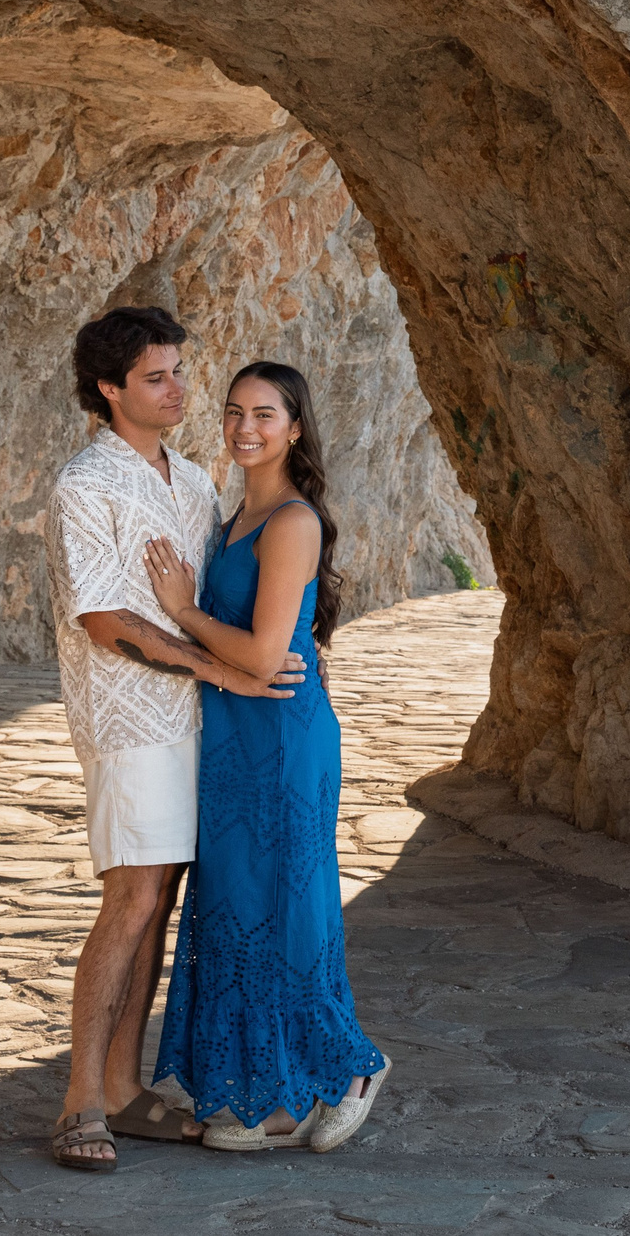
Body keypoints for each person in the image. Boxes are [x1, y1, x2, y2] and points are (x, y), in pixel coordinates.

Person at [41, 308, 305, 1173]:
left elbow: (236, 592)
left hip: (197, 728)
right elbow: (104, 618)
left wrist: (276, 658)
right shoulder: (85, 485)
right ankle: (82, 1101)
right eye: (156, 377)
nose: (179, 388)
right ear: (110, 390)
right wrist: (218, 669)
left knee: (162, 902)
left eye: (180, 371)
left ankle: (124, 1088)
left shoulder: (193, 482)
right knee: (131, 901)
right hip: (129, 728)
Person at [141, 360, 390, 1153]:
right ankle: (266, 1086)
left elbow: (260, 657)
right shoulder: (230, 518)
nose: (246, 428)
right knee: (238, 909)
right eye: (234, 412)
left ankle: (347, 1071)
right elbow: (245, 651)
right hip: (233, 741)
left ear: (294, 427)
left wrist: (182, 612)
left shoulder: (292, 522)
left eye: (266, 415)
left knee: (286, 912)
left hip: (281, 739)